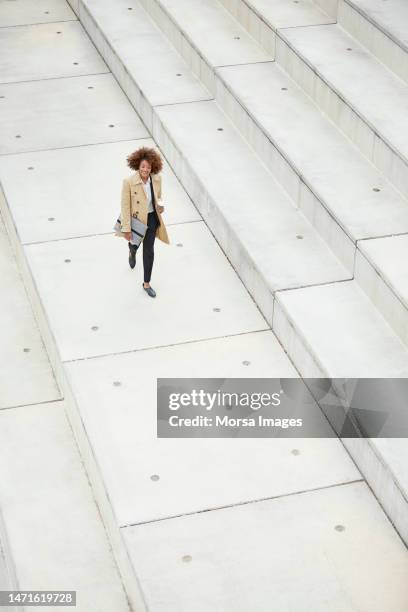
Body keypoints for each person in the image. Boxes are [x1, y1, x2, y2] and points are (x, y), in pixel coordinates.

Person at [120, 147, 170, 297]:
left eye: (148, 167)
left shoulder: (156, 179)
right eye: (143, 166)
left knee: (149, 251)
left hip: (152, 219)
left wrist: (159, 206)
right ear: (138, 166)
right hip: (137, 220)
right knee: (136, 244)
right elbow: (125, 206)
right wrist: (126, 228)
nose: (145, 169)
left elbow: (158, 197)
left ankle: (146, 283)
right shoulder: (128, 182)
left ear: (152, 167)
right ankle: (132, 250)